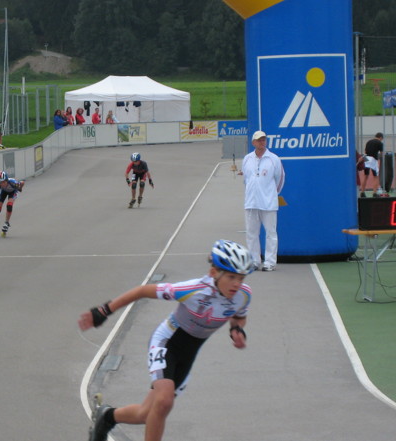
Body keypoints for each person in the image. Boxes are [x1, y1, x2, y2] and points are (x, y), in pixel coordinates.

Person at [78, 239, 255, 441]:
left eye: (241, 278)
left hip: (189, 353)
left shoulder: (243, 295)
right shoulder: (192, 289)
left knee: (148, 413)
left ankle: (108, 417)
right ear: (214, 272)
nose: (237, 284)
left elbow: (239, 316)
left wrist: (236, 330)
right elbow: (142, 291)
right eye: (231, 277)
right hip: (167, 341)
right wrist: (103, 311)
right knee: (164, 401)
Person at [240, 130, 285, 272]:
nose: (262, 142)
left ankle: (270, 262)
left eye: (264, 139)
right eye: (259, 140)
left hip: (268, 203)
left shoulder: (274, 159)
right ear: (253, 142)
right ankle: (254, 261)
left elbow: (280, 178)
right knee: (251, 233)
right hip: (251, 203)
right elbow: (246, 179)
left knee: (271, 233)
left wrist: (271, 194)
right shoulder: (247, 159)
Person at [359, 132, 385, 197]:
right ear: (380, 138)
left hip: (366, 158)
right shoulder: (380, 143)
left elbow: (365, 152)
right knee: (375, 176)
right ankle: (374, 193)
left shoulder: (369, 142)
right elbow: (382, 153)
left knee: (365, 175)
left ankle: (362, 192)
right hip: (373, 159)